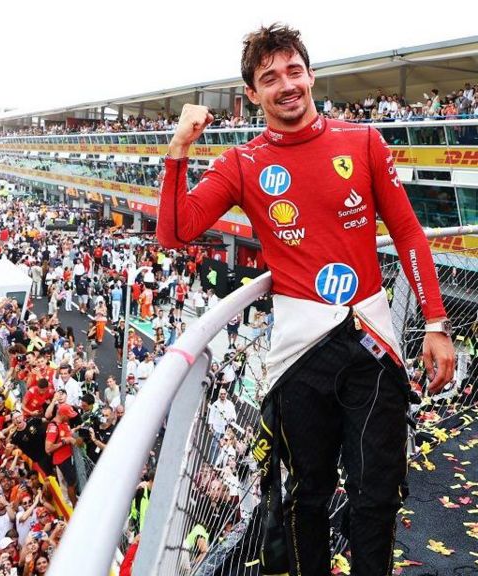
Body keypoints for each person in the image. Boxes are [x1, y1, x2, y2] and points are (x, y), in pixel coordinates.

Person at [157, 23, 455, 576]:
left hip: (372, 343)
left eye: (294, 70)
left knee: (376, 497)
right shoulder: (241, 163)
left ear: (311, 75)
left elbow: (410, 233)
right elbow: (175, 232)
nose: (285, 84)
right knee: (303, 497)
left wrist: (435, 321)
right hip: (300, 356)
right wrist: (179, 148)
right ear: (252, 94)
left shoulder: (363, 142)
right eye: (269, 77)